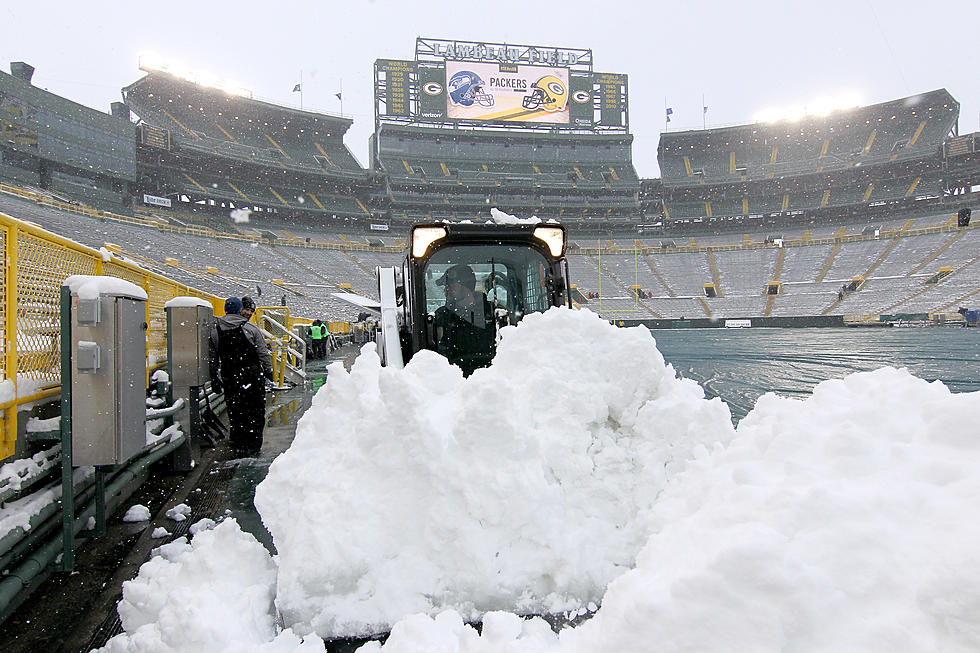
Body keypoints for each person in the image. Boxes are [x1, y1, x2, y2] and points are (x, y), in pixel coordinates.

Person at [209, 296, 274, 456]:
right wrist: (268, 371)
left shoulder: (215, 330)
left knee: (235, 410)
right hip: (251, 376)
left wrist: (214, 377)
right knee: (254, 410)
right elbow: (263, 353)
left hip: (230, 376)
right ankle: (253, 444)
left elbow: (212, 357)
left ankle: (238, 444)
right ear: (239, 309)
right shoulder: (251, 329)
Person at [433, 264, 494, 376]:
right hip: (453, 378)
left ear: (466, 285)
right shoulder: (441, 316)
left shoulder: (491, 312)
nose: (447, 289)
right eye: (446, 285)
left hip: (490, 376)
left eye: (451, 284)